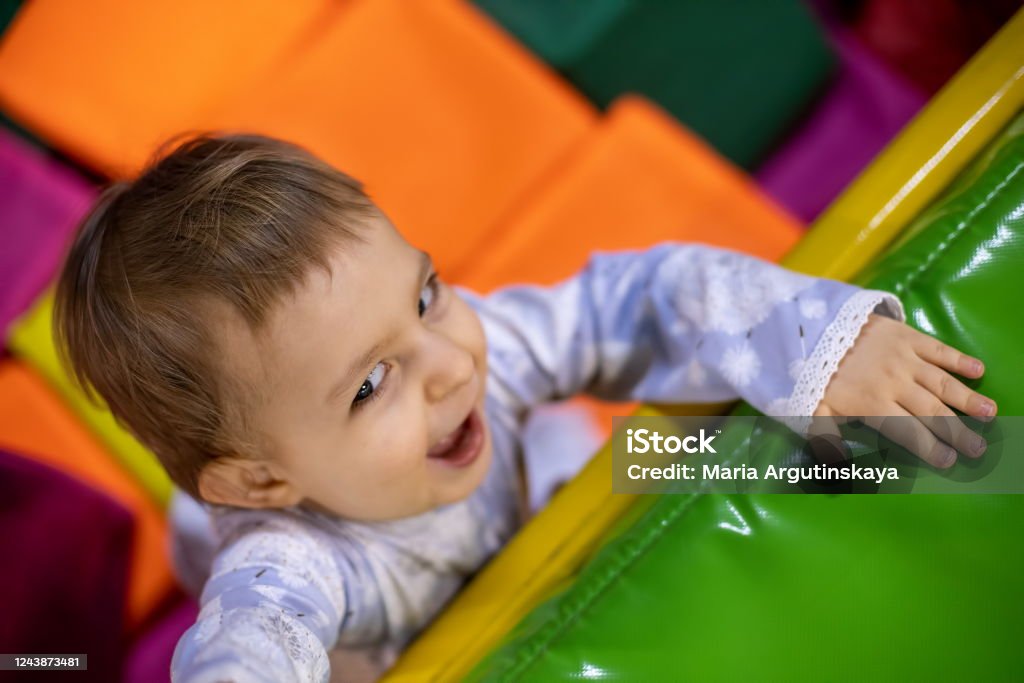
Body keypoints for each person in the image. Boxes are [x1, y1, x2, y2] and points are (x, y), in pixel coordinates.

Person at [53, 134, 997, 682]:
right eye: (369, 385)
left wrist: (816, 345)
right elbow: (248, 643)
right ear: (266, 478)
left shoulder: (476, 354)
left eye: (424, 293)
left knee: (644, 446)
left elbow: (646, 298)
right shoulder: (291, 559)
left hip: (519, 503)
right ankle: (193, 523)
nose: (449, 366)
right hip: (405, 638)